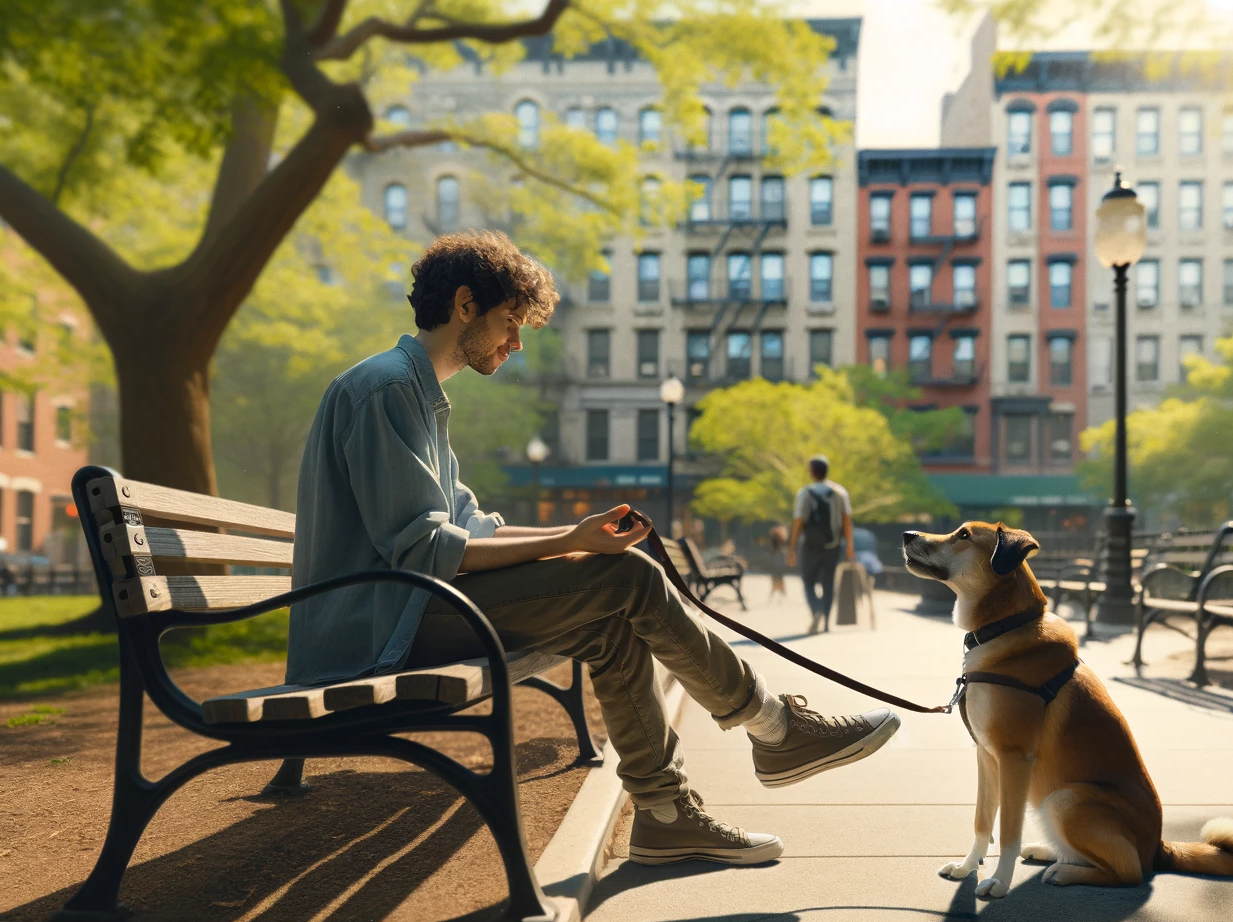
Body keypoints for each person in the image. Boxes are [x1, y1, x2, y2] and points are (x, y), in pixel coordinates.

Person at [288, 231, 899, 867]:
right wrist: (571, 543)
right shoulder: (387, 389)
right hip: (377, 629)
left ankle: (663, 815)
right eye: (509, 323)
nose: (517, 343)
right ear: (465, 305)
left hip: (407, 609)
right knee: (628, 580)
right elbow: (426, 546)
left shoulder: (416, 392)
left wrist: (579, 538)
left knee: (611, 614)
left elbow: (473, 525)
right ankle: (774, 728)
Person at [787, 456, 853, 635]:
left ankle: (815, 609)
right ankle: (825, 622)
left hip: (810, 546)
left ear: (812, 472)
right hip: (834, 545)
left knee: (808, 581)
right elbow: (847, 521)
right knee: (828, 583)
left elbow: (798, 521)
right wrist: (850, 546)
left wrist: (791, 548)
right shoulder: (840, 492)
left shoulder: (805, 492)